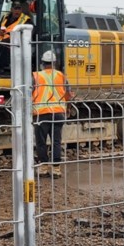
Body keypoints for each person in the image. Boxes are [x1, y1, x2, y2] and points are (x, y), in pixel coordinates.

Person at [32, 50, 74, 178]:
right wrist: (68, 108)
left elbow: (30, 93)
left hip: (41, 113)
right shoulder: (61, 76)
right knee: (56, 141)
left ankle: (44, 168)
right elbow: (68, 95)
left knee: (41, 142)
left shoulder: (35, 76)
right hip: (58, 113)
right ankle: (56, 170)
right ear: (54, 63)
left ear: (42, 64)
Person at [0, 0, 32, 72]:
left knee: (4, 45)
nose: (17, 11)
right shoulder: (5, 17)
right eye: (15, 9)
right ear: (11, 9)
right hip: (1, 39)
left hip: (17, 42)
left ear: (21, 10)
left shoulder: (26, 19)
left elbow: (30, 31)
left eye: (19, 9)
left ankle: (3, 67)